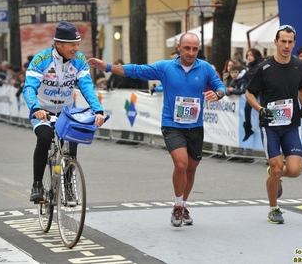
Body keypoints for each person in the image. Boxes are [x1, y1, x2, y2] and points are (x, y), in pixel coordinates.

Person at [88, 32, 226, 227]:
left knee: (192, 168)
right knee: (181, 164)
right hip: (172, 124)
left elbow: (220, 85)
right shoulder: (166, 67)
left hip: (195, 125)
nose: (191, 52)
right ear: (179, 47)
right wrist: (108, 67)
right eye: (187, 48)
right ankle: (178, 206)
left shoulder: (204, 68)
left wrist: (218, 93)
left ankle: (183, 204)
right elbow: (137, 70)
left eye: (195, 49)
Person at [23, 21, 106, 203]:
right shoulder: (41, 60)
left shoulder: (80, 61)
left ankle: (68, 186)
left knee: (71, 140)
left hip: (65, 112)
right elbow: (29, 88)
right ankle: (37, 184)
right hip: (42, 111)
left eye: (78, 44)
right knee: (44, 138)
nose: (77, 48)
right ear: (58, 44)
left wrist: (98, 110)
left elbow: (87, 87)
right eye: (72, 45)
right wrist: (35, 108)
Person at [245, 25, 302, 224]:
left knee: (295, 170)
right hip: (270, 125)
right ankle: (274, 208)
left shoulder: (299, 65)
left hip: (291, 125)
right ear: (276, 42)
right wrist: (260, 109)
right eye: (283, 41)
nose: (286, 45)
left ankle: (276, 174)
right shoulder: (264, 67)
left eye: (290, 42)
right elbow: (249, 93)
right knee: (276, 167)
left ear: (294, 43)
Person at [243, 48, 264, 141]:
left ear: (256, 55)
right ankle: (248, 128)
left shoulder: (260, 64)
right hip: (254, 89)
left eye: (251, 55)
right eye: (247, 55)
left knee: (262, 107)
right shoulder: (250, 66)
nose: (249, 57)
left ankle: (263, 125)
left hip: (262, 89)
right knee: (247, 107)